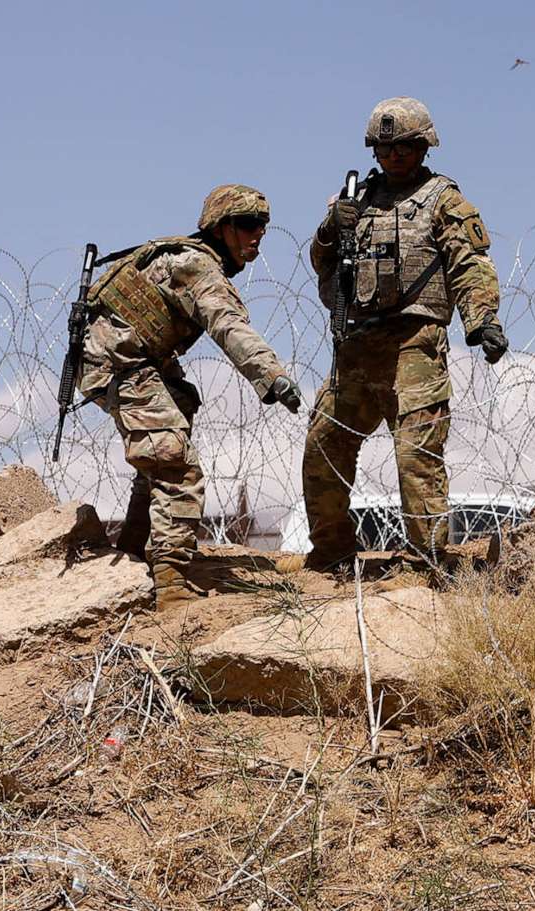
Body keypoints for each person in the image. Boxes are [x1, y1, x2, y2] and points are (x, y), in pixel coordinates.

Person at [301, 97, 507, 574]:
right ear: (374, 150)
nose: (395, 156)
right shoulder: (356, 200)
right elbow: (322, 263)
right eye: (386, 147)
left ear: (424, 146)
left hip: (415, 343)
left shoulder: (443, 201)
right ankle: (329, 553)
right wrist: (332, 230)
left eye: (406, 147)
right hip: (355, 346)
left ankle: (427, 561)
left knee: (416, 455)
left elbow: (469, 262)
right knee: (324, 445)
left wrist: (482, 319)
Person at [79, 187, 305, 610]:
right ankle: (171, 585)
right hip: (122, 366)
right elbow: (228, 325)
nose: (258, 235)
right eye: (248, 226)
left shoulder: (192, 259)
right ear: (222, 229)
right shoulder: (198, 266)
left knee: (174, 423)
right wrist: (271, 375)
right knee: (177, 468)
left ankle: (132, 548)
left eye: (263, 226)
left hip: (137, 360)